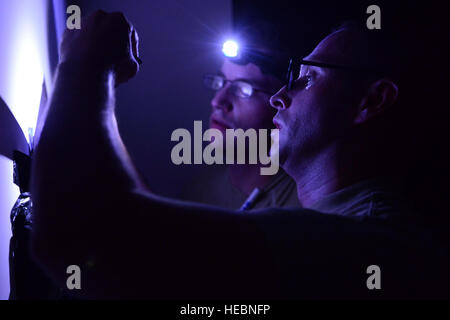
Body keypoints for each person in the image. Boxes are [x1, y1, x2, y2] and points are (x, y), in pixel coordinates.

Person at [30, 11, 449, 299]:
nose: (282, 98)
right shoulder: (341, 224)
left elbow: (85, 239)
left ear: (371, 101)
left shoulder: (369, 246)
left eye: (306, 80)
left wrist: (87, 65)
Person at [181, 24, 299, 210]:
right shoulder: (203, 183)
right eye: (221, 82)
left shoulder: (298, 206)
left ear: (281, 103)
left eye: (244, 90)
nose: (218, 101)